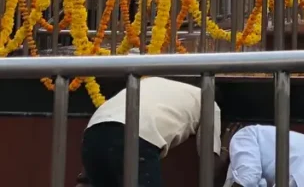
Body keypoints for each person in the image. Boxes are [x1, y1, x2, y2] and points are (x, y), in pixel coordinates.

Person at [80, 77, 221, 187]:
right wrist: (225, 152)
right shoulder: (207, 100)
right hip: (136, 138)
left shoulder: (151, 81)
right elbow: (209, 162)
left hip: (92, 134)